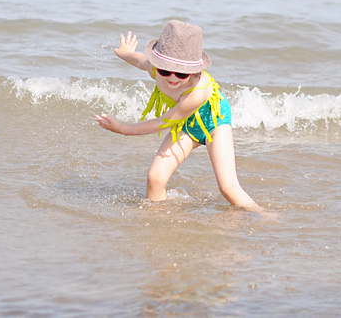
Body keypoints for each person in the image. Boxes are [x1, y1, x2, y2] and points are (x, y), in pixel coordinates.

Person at [95, 20, 259, 210]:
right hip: (187, 125)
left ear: (194, 70)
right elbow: (140, 61)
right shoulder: (155, 69)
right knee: (155, 178)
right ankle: (159, 223)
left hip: (214, 123)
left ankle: (265, 217)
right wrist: (124, 53)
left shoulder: (198, 90)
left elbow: (163, 122)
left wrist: (122, 129)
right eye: (165, 69)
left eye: (181, 74)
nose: (172, 78)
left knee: (228, 188)